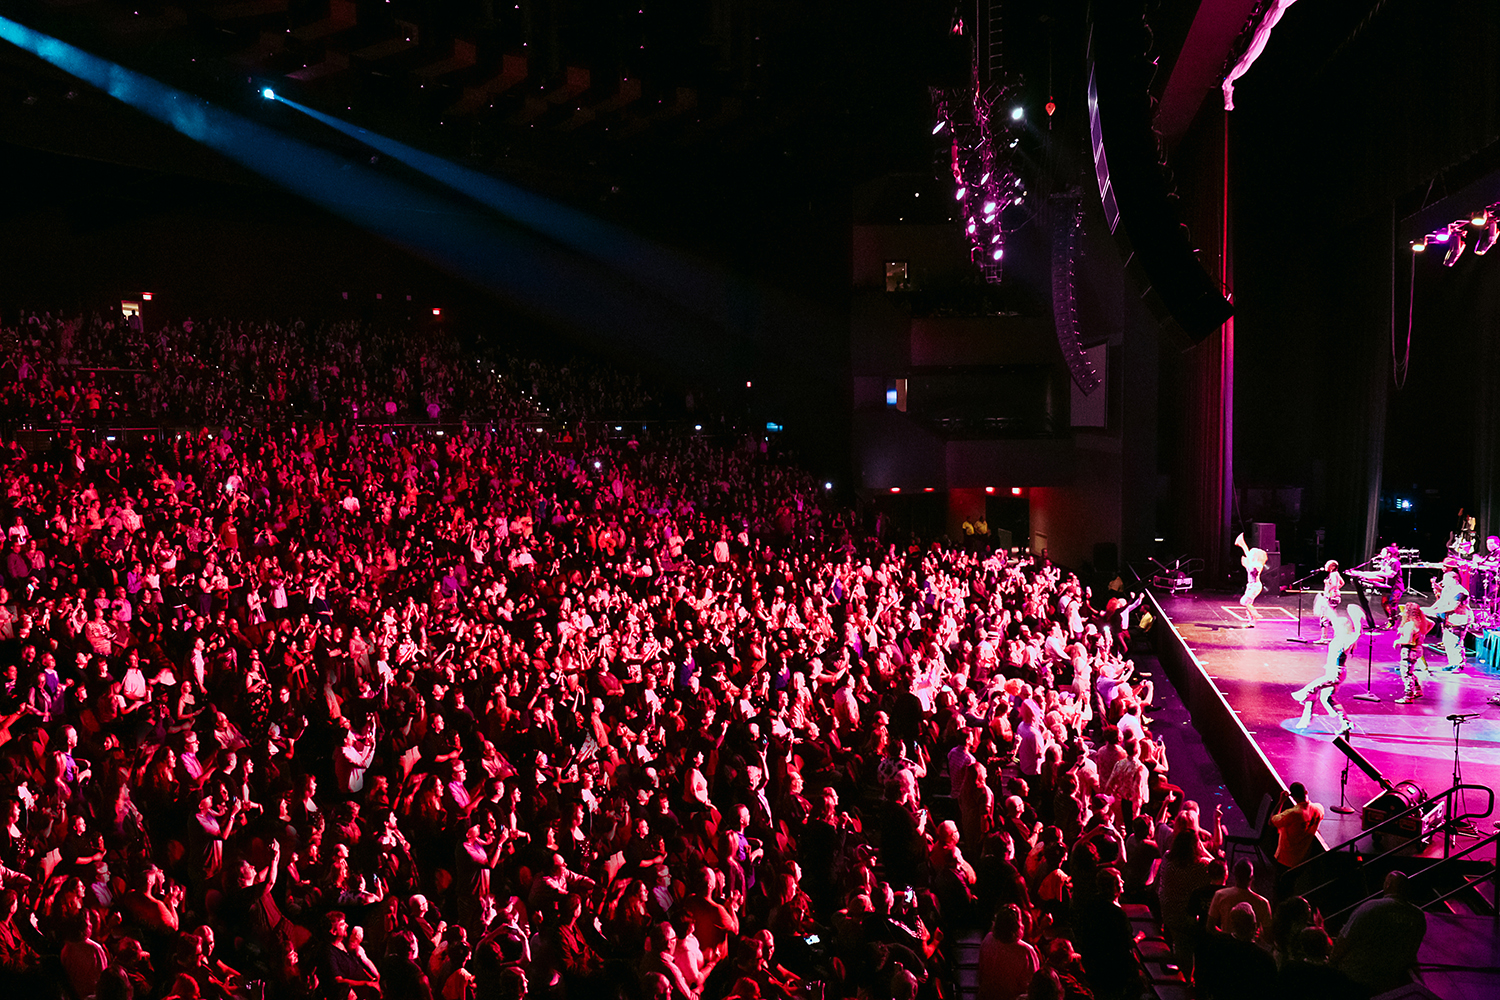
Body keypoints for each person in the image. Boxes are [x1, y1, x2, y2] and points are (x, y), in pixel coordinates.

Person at [1331, 871, 1427, 994]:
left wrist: (1331, 962)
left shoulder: (1370, 907)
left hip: (1354, 978)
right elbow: (1412, 951)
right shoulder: (1418, 917)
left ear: (1387, 885)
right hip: (1388, 985)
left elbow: (1345, 938)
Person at [1292, 606, 1361, 733]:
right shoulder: (1340, 637)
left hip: (1336, 673)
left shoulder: (1346, 640)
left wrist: (1357, 619)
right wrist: (1327, 608)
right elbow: (1334, 619)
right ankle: (1346, 723)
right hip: (1331, 671)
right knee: (1327, 698)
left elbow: (1357, 634)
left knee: (1310, 690)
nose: (1334, 627)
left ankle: (1306, 715)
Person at [978, 904, 1040, 1000]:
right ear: (1018, 925)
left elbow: (981, 972)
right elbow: (1034, 984)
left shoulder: (988, 939)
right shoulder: (1026, 951)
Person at [1270, 783, 1323, 895]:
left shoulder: (1293, 813)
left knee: (1280, 891)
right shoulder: (1319, 809)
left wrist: (1281, 801)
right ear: (1306, 792)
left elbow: (1272, 821)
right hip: (1302, 858)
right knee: (1292, 889)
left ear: (1292, 797)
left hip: (1286, 859)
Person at [1427, 568, 1472, 671]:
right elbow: (1441, 602)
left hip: (1459, 620)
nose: (1443, 583)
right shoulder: (1447, 590)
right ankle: (1452, 662)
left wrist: (1433, 611)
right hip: (1449, 619)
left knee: (1455, 642)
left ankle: (1459, 664)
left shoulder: (1460, 592)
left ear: (1454, 580)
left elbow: (1452, 607)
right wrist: (1430, 609)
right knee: (1447, 641)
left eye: (1445, 580)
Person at [1392, 602, 1432, 703]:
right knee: (1410, 671)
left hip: (1410, 650)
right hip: (1418, 649)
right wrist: (1423, 633)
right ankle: (1418, 690)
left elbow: (1408, 640)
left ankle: (1408, 696)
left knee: (1406, 673)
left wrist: (1397, 641)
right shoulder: (1421, 621)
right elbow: (1432, 623)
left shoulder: (1410, 625)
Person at [1234, 533, 1268, 623]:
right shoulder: (1252, 563)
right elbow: (1248, 562)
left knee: (1244, 601)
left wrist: (1243, 546)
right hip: (1250, 585)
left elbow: (1253, 567)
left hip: (1255, 586)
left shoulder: (1258, 565)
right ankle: (1251, 621)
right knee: (1249, 603)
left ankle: (1255, 614)